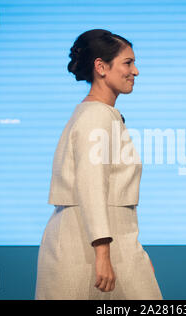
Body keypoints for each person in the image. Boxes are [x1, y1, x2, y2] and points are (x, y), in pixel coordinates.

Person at [35, 29, 163, 300]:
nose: (135, 71)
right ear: (101, 67)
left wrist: (132, 253)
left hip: (104, 241)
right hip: (87, 246)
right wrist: (104, 253)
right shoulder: (95, 116)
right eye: (128, 63)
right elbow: (91, 186)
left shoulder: (100, 114)